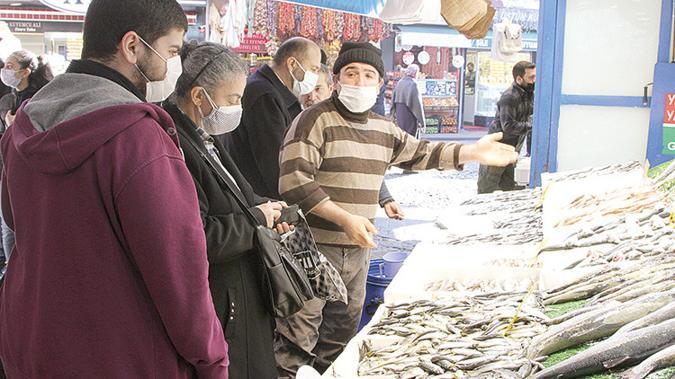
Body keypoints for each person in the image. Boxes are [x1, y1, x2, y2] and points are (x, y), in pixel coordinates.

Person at [0, 0, 229, 377]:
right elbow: (179, 274)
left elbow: (14, 229)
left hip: (32, 341)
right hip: (123, 354)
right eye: (172, 51)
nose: (174, 65)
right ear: (133, 46)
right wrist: (213, 360)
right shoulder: (140, 141)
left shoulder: (23, 124)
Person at [276, 42, 518, 375]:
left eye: (368, 75)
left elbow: (422, 153)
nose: (359, 82)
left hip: (358, 252)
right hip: (311, 248)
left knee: (340, 336)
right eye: (351, 73)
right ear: (335, 79)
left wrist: (471, 153)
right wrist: (344, 218)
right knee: (297, 336)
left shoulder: (383, 129)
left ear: (380, 84)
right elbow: (294, 181)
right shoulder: (313, 120)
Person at [162, 41, 293, 379]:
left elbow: (239, 195)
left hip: (245, 293)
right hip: (223, 301)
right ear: (199, 96)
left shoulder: (206, 136)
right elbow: (196, 236)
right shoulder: (175, 146)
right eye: (233, 99)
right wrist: (256, 222)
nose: (238, 108)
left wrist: (265, 207)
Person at [299, 63, 404, 221]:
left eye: (318, 89)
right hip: (314, 224)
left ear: (331, 87)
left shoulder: (351, 119)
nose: (312, 97)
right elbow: (295, 180)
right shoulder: (298, 121)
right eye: (306, 90)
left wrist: (385, 198)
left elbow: (366, 163)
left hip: (353, 226)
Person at [223, 37, 322, 199]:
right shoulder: (264, 95)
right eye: (314, 69)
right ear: (292, 64)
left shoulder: (270, 90)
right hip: (262, 200)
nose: (315, 75)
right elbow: (274, 163)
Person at [0, 50, 53, 263]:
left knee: (19, 228)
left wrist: (16, 126)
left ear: (25, 71)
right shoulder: (8, 98)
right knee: (8, 227)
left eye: (11, 66)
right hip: (9, 168)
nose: (5, 70)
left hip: (30, 172)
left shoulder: (41, 99)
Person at [477, 61, 535, 194]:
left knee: (508, 188)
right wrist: (531, 126)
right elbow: (508, 126)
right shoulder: (510, 96)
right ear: (519, 79)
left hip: (512, 150)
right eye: (531, 77)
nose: (534, 81)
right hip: (496, 149)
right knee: (487, 188)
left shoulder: (528, 94)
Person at [0, 50, 53, 128]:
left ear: (25, 73)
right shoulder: (11, 98)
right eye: (4, 66)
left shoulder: (37, 100)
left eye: (9, 67)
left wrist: (14, 125)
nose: (3, 70)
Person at [391, 63, 425, 137]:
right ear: (414, 73)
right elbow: (418, 106)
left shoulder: (400, 82)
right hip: (410, 114)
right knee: (410, 138)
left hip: (400, 113)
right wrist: (422, 122)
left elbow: (393, 98)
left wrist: (393, 113)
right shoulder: (414, 84)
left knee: (401, 136)